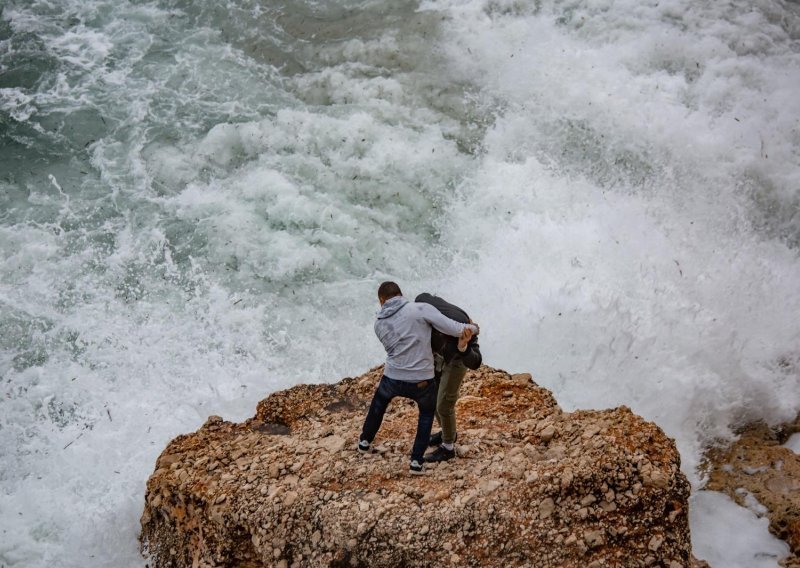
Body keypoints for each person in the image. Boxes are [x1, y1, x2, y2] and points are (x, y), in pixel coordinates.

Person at [358, 281, 479, 475]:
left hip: (393, 377)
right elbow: (457, 329)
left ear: (381, 301)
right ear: (401, 294)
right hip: (421, 380)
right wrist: (473, 329)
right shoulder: (421, 309)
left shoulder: (378, 323)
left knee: (378, 404)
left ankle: (364, 442)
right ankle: (416, 462)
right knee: (425, 415)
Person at [415, 293, 482, 463]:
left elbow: (476, 362)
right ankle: (448, 433)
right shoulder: (422, 313)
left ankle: (448, 448)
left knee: (444, 404)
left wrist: (463, 348)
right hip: (439, 357)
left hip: (457, 359)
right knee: (433, 397)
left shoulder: (461, 325)